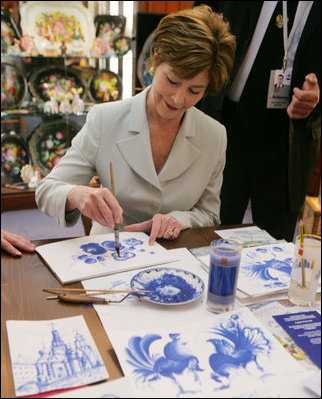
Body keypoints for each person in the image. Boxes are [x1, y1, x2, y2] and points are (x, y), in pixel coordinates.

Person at [35, 5, 236, 245]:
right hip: (110, 250)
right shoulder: (105, 119)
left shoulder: (214, 135)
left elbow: (209, 214)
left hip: (175, 253)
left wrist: (178, 219)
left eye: (195, 90)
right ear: (155, 59)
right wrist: (77, 194)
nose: (179, 99)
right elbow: (46, 190)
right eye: (172, 80)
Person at [194, 1, 320, 241]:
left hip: (290, 136)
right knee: (208, 231)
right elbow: (199, 24)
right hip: (225, 121)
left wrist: (318, 95)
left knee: (274, 244)